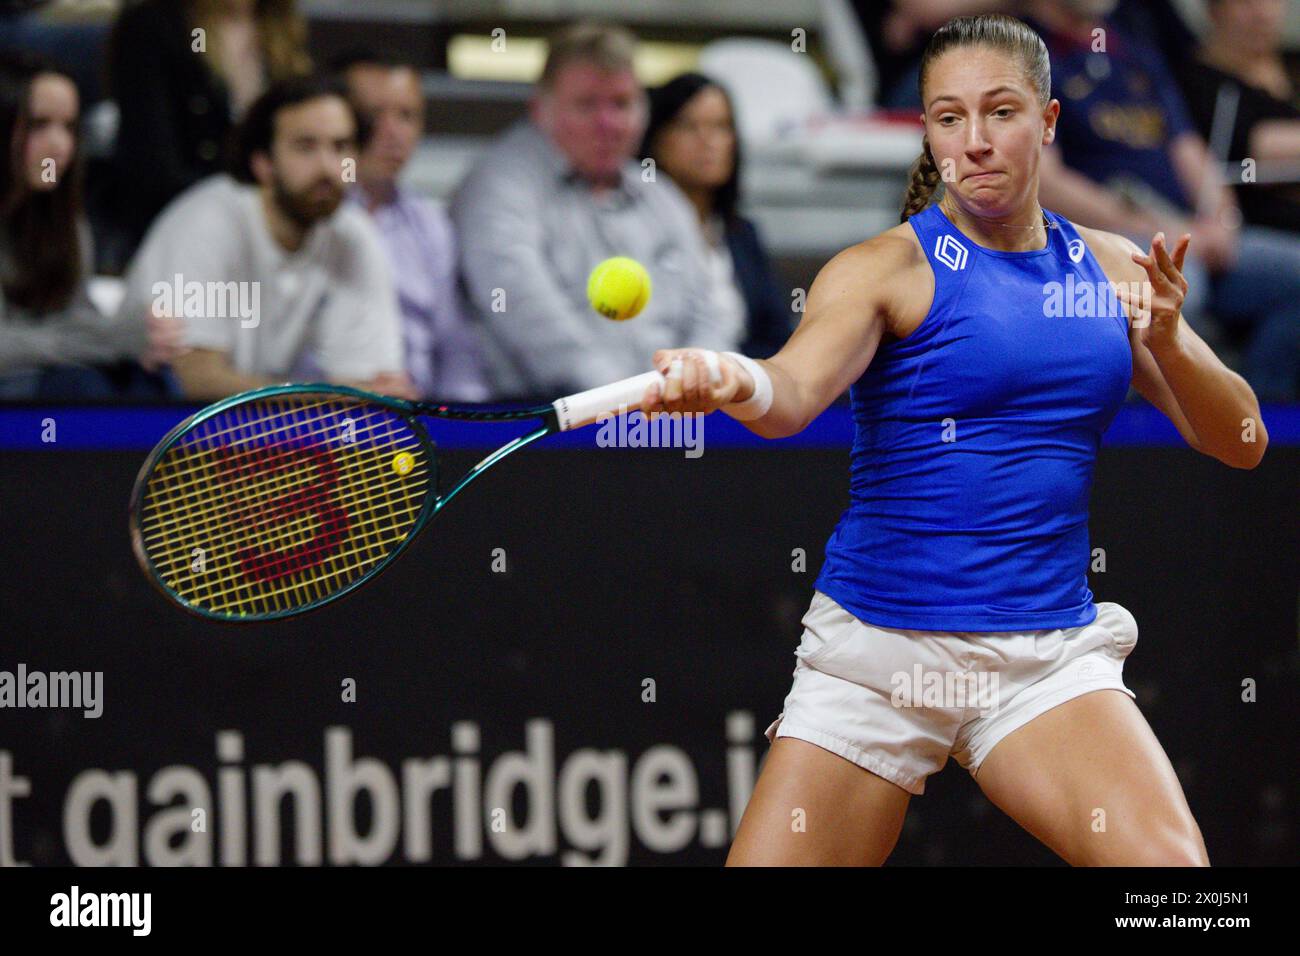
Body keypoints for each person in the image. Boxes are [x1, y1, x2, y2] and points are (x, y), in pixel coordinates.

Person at [641, 14, 1268, 865]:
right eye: (947, 117)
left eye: (1000, 112)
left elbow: (1241, 440)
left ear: (1048, 123)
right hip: (879, 654)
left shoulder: (1116, 271)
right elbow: (789, 395)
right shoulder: (881, 270)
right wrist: (733, 379)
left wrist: (1163, 342)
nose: (973, 142)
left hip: (1044, 657)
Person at [1026, 0, 1300, 400]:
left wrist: (1222, 221)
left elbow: (1190, 151)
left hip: (1185, 232)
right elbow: (1046, 183)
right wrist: (1164, 231)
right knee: (1179, 289)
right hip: (1102, 238)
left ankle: (1255, 424)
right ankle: (1152, 442)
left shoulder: (1133, 50)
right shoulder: (1023, 52)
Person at [450, 22, 738, 399]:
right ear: (540, 109)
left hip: (666, 419)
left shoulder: (659, 192)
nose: (609, 124)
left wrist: (697, 377)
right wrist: (629, 400)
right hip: (546, 426)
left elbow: (710, 309)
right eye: (587, 104)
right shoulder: (498, 185)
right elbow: (524, 309)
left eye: (621, 103)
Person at [115, 74, 414, 401]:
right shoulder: (206, 221)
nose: (329, 168)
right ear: (263, 163)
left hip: (261, 433)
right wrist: (332, 399)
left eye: (341, 147)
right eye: (306, 147)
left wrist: (353, 395)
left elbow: (372, 384)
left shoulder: (353, 236)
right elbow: (194, 381)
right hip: (142, 424)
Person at [0, 54, 180, 399]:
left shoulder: (65, 219)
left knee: (150, 380)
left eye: (69, 127)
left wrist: (136, 332)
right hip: (17, 389)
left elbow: (78, 316)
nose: (60, 146)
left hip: (47, 372)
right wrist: (110, 341)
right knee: (81, 387)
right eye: (39, 125)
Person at [101, 0, 310, 269]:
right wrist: (248, 212)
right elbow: (152, 165)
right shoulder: (155, 24)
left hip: (272, 239)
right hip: (177, 233)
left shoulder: (284, 30)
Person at [338, 51, 492, 402]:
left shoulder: (431, 222)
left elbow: (455, 346)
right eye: (374, 114)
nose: (392, 132)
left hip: (417, 423)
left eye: (406, 115)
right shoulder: (311, 217)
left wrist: (467, 427)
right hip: (324, 422)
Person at [640, 72, 792, 359]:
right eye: (689, 126)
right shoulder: (632, 228)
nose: (707, 141)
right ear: (657, 138)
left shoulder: (742, 233)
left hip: (736, 391)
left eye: (720, 126)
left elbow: (776, 337)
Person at [1174, 0, 1300, 234]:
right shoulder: (1201, 84)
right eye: (1245, 3)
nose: (1262, 14)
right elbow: (1260, 148)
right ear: (1215, 11)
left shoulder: (1287, 71)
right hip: (1252, 229)